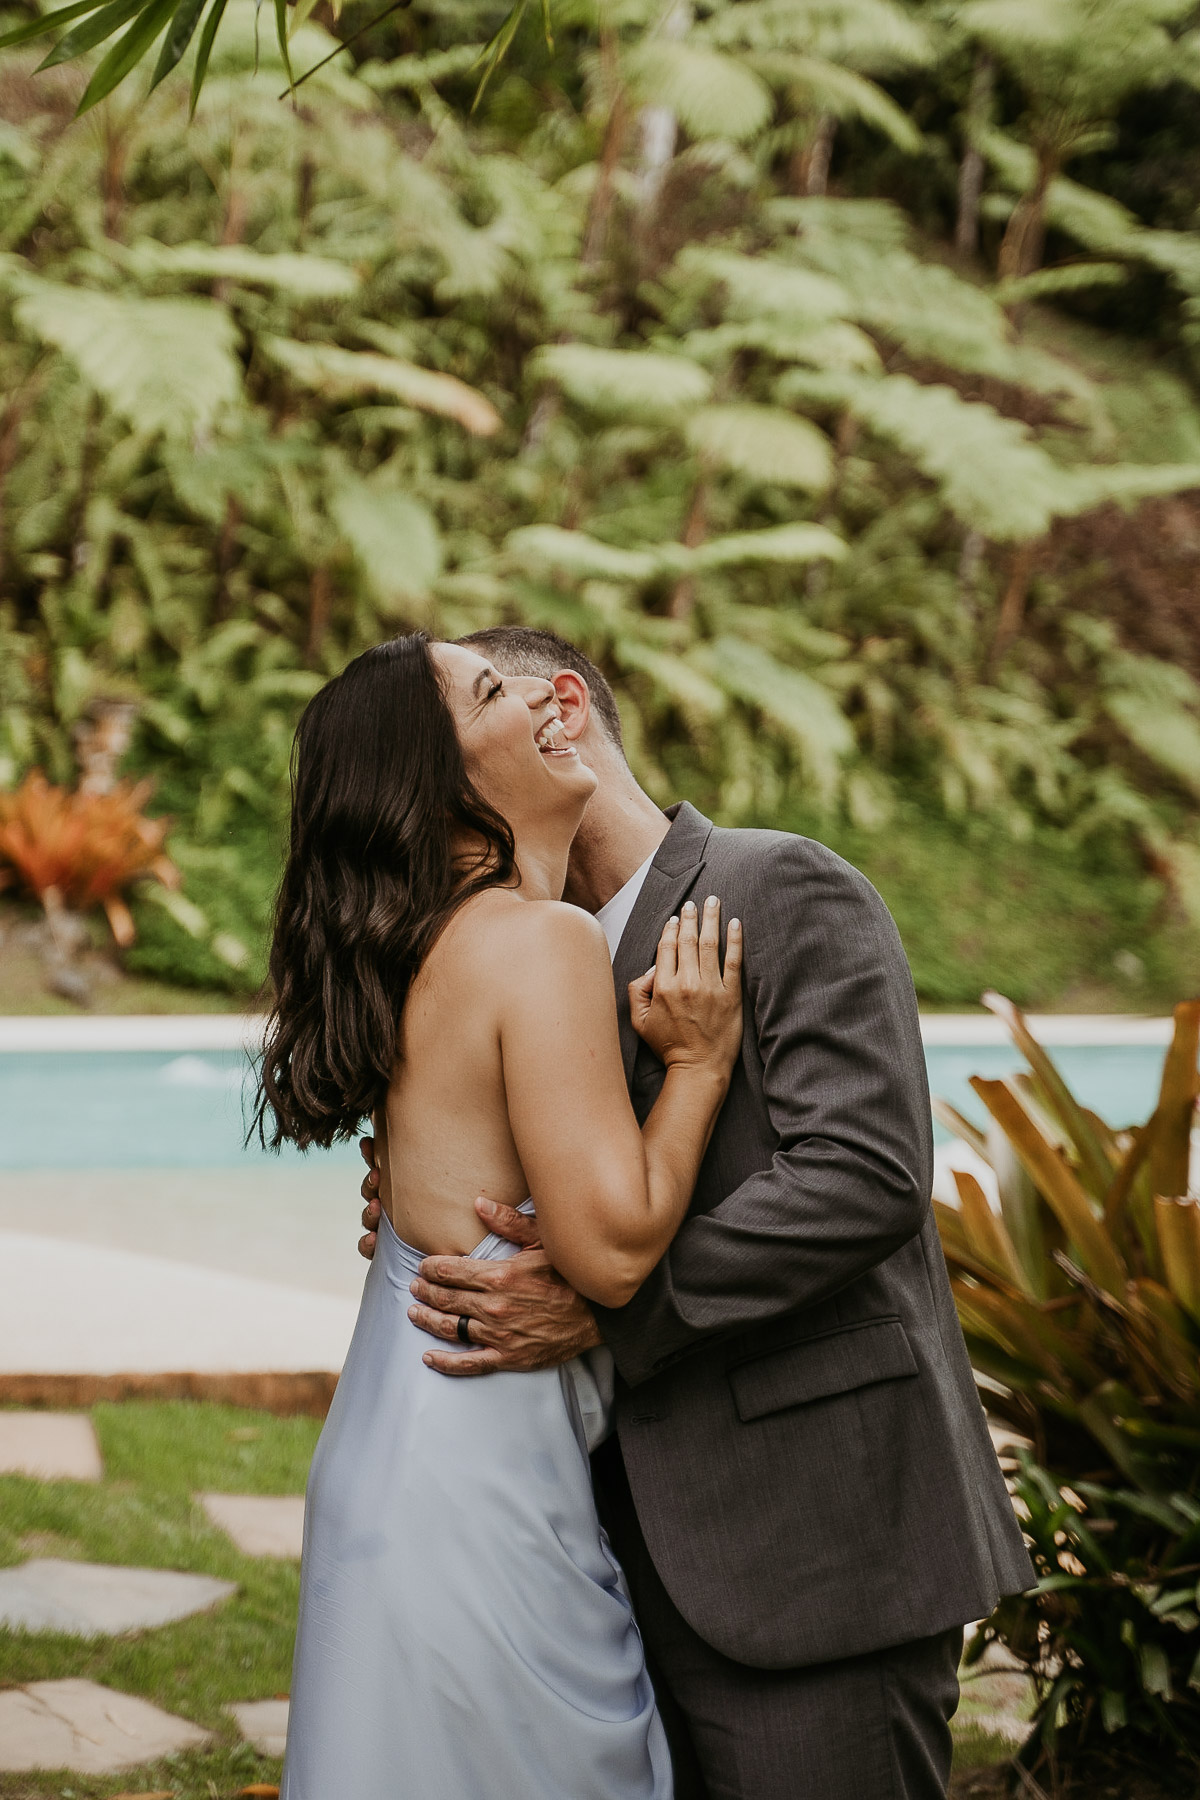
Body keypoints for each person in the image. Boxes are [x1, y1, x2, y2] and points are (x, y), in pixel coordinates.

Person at [358, 624, 1036, 1800]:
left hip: (813, 1550)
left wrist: (603, 1310)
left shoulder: (783, 888)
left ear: (558, 712)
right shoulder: (505, 956)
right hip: (596, 1562)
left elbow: (863, 1174)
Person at [256, 631, 746, 1800]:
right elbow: (616, 1248)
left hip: (397, 1465)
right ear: (443, 786)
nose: (540, 693)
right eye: (490, 691)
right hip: (474, 1498)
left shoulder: (424, 950)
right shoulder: (541, 942)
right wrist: (701, 1065)